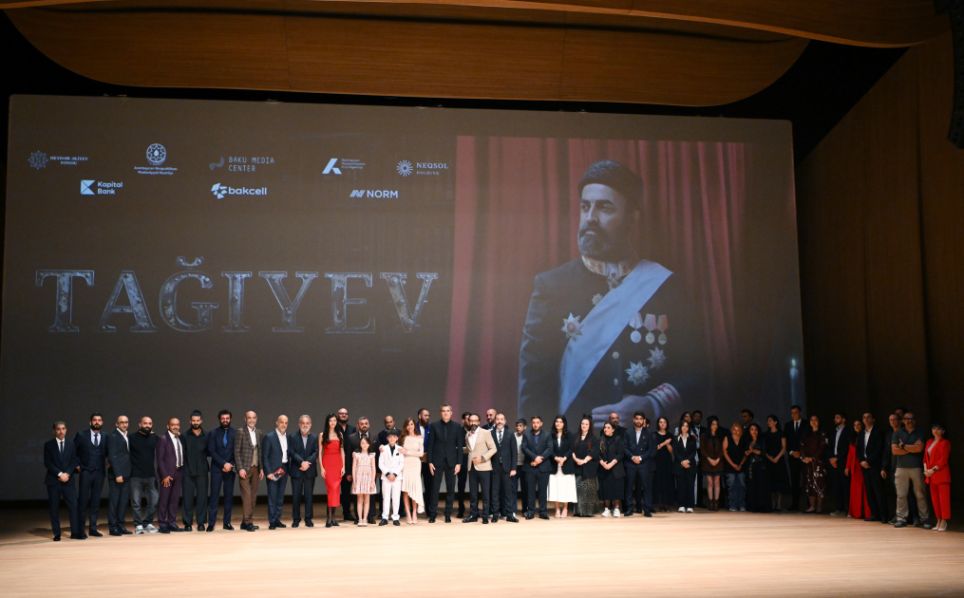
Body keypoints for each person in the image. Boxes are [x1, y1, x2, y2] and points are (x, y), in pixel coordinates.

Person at [518, 160, 701, 428]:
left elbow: (697, 372)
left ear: (632, 217)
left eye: (605, 208)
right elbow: (534, 390)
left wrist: (653, 404)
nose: (591, 217)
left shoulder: (667, 287)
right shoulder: (552, 287)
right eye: (585, 207)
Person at [892, 411, 932, 528]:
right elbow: (894, 451)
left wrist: (903, 446)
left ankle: (925, 518)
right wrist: (911, 448)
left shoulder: (920, 432)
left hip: (916, 467)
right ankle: (901, 518)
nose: (909, 421)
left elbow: (919, 449)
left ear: (914, 420)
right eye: (906, 418)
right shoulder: (898, 433)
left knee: (920, 494)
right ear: (903, 421)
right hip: (901, 468)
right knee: (901, 495)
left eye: (911, 418)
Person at [44, 421, 82, 540]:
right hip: (53, 481)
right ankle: (57, 534)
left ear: (66, 430)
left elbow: (74, 460)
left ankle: (75, 532)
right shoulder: (48, 445)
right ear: (54, 431)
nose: (61, 431)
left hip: (68, 480)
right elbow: (48, 463)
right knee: (54, 508)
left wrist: (67, 473)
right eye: (58, 429)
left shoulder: (71, 444)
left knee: (73, 507)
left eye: (63, 428)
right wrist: (60, 474)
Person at [426, 404, 463, 523]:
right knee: (434, 489)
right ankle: (432, 514)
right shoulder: (434, 426)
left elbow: (460, 447)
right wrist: (430, 462)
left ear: (451, 413)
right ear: (440, 413)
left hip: (452, 462)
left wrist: (459, 463)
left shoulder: (457, 426)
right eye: (443, 411)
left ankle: (447, 514)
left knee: (451, 489)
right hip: (436, 462)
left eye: (448, 411)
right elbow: (430, 445)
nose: (446, 413)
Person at [74, 412, 107, 537]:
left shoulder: (105, 436)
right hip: (86, 472)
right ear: (90, 422)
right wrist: (77, 465)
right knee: (83, 501)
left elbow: (109, 452)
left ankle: (93, 528)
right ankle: (80, 529)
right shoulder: (81, 435)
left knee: (95, 501)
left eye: (99, 420)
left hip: (99, 473)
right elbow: (73, 451)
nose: (97, 422)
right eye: (94, 420)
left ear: (102, 422)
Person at [206, 409, 237, 531]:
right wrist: (224, 463)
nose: (225, 420)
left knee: (228, 497)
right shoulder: (213, 433)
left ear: (230, 419)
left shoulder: (235, 433)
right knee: (214, 496)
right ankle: (211, 523)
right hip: (217, 469)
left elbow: (237, 451)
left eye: (227, 418)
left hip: (230, 469)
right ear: (219, 419)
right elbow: (212, 451)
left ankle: (227, 523)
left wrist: (230, 464)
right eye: (223, 418)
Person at [856, 412, 889, 523]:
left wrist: (868, 461)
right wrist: (861, 461)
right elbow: (859, 449)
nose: (866, 419)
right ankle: (875, 514)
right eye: (864, 417)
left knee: (879, 491)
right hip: (864, 466)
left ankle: (884, 516)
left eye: (868, 417)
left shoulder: (878, 432)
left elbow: (879, 449)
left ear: (873, 419)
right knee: (869, 491)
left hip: (875, 465)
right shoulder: (861, 433)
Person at [464, 413, 497, 523]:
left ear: (479, 422)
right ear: (469, 422)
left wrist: (483, 458)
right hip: (472, 467)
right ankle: (473, 515)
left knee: (485, 494)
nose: (473, 423)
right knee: (473, 494)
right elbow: (470, 450)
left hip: (484, 467)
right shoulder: (467, 434)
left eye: (475, 421)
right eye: (471, 421)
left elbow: (493, 449)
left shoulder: (485, 433)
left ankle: (485, 516)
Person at [234, 410, 264, 532]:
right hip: (245, 469)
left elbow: (260, 452)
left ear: (256, 419)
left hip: (256, 468)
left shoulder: (259, 432)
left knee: (253, 497)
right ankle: (247, 522)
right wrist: (240, 468)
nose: (251, 420)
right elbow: (236, 451)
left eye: (253, 418)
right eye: (249, 418)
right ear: (245, 419)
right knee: (247, 496)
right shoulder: (240, 432)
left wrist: (261, 468)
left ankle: (245, 522)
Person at [129, 416, 159, 534]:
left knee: (154, 501)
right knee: (136, 502)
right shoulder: (131, 438)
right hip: (135, 475)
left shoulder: (154, 438)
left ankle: (147, 523)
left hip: (151, 475)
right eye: (145, 423)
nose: (147, 425)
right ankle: (138, 525)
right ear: (139, 424)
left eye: (150, 423)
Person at [155, 417, 185, 533]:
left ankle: (172, 522)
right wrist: (164, 475)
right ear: (168, 426)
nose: (175, 427)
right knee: (164, 500)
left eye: (177, 425)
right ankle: (162, 524)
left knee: (174, 500)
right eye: (173, 425)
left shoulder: (179, 438)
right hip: (167, 474)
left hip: (178, 472)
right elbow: (160, 460)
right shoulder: (163, 439)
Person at [345, 416, 376, 524]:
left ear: (369, 424)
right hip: (358, 474)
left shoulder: (373, 436)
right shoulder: (351, 438)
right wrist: (349, 473)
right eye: (362, 423)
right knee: (357, 498)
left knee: (369, 497)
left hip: (369, 474)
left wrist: (375, 475)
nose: (364, 425)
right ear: (358, 425)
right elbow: (348, 456)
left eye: (366, 423)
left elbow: (376, 458)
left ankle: (369, 517)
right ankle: (359, 518)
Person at [261, 414, 290, 530]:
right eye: (281, 422)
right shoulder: (269, 437)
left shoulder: (288, 437)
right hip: (273, 471)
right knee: (272, 496)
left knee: (280, 497)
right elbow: (265, 456)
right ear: (277, 423)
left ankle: (277, 519)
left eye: (286, 423)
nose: (284, 424)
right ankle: (272, 521)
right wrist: (268, 472)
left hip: (284, 469)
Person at [522, 415, 553, 519]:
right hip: (530, 467)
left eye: (537, 422)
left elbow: (550, 449)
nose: (535, 424)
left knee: (542, 491)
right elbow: (524, 448)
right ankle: (530, 511)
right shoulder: (526, 434)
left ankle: (543, 512)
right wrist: (535, 457)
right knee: (530, 491)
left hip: (543, 467)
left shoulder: (547, 434)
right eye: (534, 422)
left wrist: (540, 459)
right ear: (532, 424)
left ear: (541, 423)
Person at [623, 411, 655, 517]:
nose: (638, 421)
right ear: (633, 419)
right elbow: (624, 447)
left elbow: (651, 449)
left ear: (644, 420)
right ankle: (629, 508)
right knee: (629, 486)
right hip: (630, 463)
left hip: (644, 464)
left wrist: (640, 458)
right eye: (637, 418)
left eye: (641, 419)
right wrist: (632, 457)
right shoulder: (628, 432)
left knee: (646, 487)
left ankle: (647, 509)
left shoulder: (649, 433)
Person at [181, 410, 208, 532]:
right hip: (188, 470)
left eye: (197, 420)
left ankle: (201, 523)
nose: (195, 422)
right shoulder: (184, 436)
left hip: (202, 471)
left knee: (202, 498)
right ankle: (187, 523)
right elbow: (182, 454)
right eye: (193, 421)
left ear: (201, 421)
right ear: (190, 421)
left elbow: (209, 451)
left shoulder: (206, 435)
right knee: (187, 498)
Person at [489, 412, 518, 522]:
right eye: (497, 419)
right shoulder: (490, 433)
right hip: (494, 467)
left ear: (505, 421)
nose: (499, 421)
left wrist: (514, 468)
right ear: (495, 421)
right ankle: (495, 514)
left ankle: (509, 514)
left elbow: (514, 452)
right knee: (495, 492)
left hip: (507, 468)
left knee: (508, 492)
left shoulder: (510, 434)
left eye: (501, 419)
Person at [290, 414, 318, 528]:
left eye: (307, 423)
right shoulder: (292, 436)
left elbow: (316, 452)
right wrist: (301, 462)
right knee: (296, 496)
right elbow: (292, 452)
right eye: (303, 423)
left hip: (309, 471)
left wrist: (307, 463)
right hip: (297, 470)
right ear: (299, 424)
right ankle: (296, 519)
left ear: (310, 425)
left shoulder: (315, 437)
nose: (305, 425)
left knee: (309, 496)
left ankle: (308, 519)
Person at [106, 414, 132, 536]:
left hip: (126, 474)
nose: (124, 424)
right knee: (114, 502)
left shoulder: (127, 436)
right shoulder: (113, 436)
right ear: (117, 424)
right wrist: (118, 474)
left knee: (123, 502)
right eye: (122, 422)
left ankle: (121, 525)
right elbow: (112, 456)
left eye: (126, 422)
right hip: (117, 475)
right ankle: (112, 527)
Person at [547, 415, 577, 518]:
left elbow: (571, 448)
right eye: (556, 421)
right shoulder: (551, 435)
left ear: (564, 424)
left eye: (560, 422)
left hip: (566, 464)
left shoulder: (569, 434)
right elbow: (549, 449)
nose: (558, 423)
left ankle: (565, 508)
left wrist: (564, 458)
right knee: (555, 487)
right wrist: (555, 458)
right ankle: (557, 509)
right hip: (554, 465)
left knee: (566, 487)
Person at [320, 413, 346, 528]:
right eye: (330, 421)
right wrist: (321, 467)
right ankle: (328, 518)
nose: (333, 423)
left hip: (337, 463)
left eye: (334, 420)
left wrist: (343, 466)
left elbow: (342, 451)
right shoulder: (322, 435)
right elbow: (320, 452)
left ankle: (333, 518)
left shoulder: (340, 434)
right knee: (331, 490)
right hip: (327, 463)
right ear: (327, 422)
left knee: (336, 491)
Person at [923, 423, 950, 532]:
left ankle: (944, 521)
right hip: (930, 475)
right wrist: (926, 470)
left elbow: (943, 459)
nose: (935, 431)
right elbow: (925, 458)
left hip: (941, 474)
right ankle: (938, 520)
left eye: (938, 429)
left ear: (943, 431)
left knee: (943, 500)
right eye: (934, 428)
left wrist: (932, 470)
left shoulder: (945, 442)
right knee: (935, 500)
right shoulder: (929, 442)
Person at [399, 417, 426, 524]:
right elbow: (399, 451)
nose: (410, 426)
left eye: (411, 424)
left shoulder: (419, 437)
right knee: (406, 489)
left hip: (415, 464)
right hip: (405, 464)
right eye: (408, 424)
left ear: (414, 425)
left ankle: (414, 513)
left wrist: (407, 452)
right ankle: (408, 514)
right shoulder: (403, 438)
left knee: (414, 488)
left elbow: (421, 453)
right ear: (405, 426)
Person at [572, 415, 599, 517]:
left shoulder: (593, 438)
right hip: (577, 466)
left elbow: (594, 452)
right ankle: (578, 511)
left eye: (586, 424)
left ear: (590, 426)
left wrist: (584, 461)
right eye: (583, 424)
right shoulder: (575, 437)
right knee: (578, 489)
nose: (584, 425)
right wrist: (576, 460)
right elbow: (572, 450)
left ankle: (588, 512)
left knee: (588, 489)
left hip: (589, 467)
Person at [597, 421, 626, 517]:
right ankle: (607, 509)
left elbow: (620, 454)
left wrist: (611, 464)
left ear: (613, 430)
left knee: (616, 489)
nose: (606, 429)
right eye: (605, 427)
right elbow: (597, 454)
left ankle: (616, 508)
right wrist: (602, 462)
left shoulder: (618, 439)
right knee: (605, 490)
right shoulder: (601, 439)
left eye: (608, 427)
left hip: (616, 468)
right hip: (604, 468)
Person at [801, 415, 828, 514]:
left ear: (819, 421)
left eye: (815, 420)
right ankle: (812, 506)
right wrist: (804, 457)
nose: (813, 421)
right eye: (811, 420)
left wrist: (813, 458)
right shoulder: (806, 433)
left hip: (818, 462)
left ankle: (819, 507)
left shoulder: (823, 433)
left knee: (819, 484)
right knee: (809, 483)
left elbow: (823, 447)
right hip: (807, 463)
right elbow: (802, 446)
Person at [844, 419, 871, 520]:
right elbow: (850, 454)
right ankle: (855, 512)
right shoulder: (852, 438)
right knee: (855, 490)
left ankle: (866, 512)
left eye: (858, 424)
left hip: (862, 465)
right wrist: (847, 467)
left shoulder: (865, 436)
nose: (856, 426)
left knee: (864, 489)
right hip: (854, 467)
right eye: (855, 425)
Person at [763, 415, 789, 512]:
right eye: (768, 421)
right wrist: (770, 458)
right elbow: (764, 449)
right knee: (771, 482)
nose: (768, 422)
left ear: (775, 422)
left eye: (770, 420)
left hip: (779, 460)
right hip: (769, 461)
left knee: (779, 482)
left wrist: (777, 458)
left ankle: (779, 504)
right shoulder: (765, 434)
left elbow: (784, 447)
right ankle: (773, 504)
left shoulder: (781, 433)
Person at [378, 429, 404, 526]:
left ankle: (395, 517)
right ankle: (384, 517)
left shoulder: (400, 449)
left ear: (397, 438)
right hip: (386, 477)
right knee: (386, 497)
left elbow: (402, 463)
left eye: (394, 437)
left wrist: (395, 474)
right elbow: (381, 463)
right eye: (390, 437)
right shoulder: (383, 449)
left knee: (396, 497)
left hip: (397, 478)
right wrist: (388, 474)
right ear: (387, 438)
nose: (392, 438)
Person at [335, 407, 357, 522]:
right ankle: (332, 515)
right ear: (337, 415)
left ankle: (348, 513)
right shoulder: (333, 428)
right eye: (341, 413)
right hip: (336, 463)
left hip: (349, 464)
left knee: (348, 491)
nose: (343, 415)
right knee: (335, 490)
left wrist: (350, 470)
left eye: (345, 414)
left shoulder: (353, 429)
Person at [828, 411, 851, 516]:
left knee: (845, 485)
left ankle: (847, 509)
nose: (835, 419)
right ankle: (838, 508)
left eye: (837, 417)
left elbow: (847, 447)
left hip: (843, 461)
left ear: (843, 419)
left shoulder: (848, 430)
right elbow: (829, 446)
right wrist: (831, 458)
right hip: (833, 461)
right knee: (836, 485)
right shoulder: (833, 431)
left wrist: (837, 458)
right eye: (835, 418)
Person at [351, 436, 377, 526]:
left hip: (368, 478)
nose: (364, 445)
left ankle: (365, 518)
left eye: (366, 443)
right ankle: (360, 519)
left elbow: (374, 468)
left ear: (369, 444)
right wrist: (354, 481)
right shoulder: (356, 454)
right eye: (362, 443)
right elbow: (354, 468)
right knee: (359, 500)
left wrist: (372, 481)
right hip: (359, 478)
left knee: (367, 500)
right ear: (360, 444)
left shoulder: (371, 455)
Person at [700, 416, 724, 511]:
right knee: (710, 482)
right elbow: (702, 449)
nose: (715, 426)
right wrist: (709, 459)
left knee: (717, 482)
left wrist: (718, 459)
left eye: (716, 424)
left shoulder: (720, 435)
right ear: (709, 425)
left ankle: (716, 502)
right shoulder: (704, 436)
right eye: (713, 424)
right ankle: (710, 502)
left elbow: (722, 449)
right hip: (707, 462)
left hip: (718, 461)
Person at [673, 420, 698, 512]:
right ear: (680, 427)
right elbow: (675, 452)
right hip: (679, 465)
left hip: (690, 465)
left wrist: (687, 460)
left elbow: (694, 452)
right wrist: (682, 461)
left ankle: (690, 505)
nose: (684, 427)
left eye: (686, 426)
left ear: (688, 428)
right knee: (681, 486)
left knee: (690, 485)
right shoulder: (676, 438)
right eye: (683, 426)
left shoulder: (692, 438)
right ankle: (681, 505)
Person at [784, 405, 805, 511]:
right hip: (792, 457)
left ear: (800, 412)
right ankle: (794, 504)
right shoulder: (788, 425)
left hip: (804, 456)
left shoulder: (806, 424)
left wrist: (801, 453)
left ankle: (808, 504)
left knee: (806, 480)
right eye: (792, 413)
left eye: (795, 412)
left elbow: (808, 440)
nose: (793, 415)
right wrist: (792, 452)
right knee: (794, 480)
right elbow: (786, 442)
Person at [723, 422, 747, 512]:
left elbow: (746, 454)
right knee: (732, 486)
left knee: (742, 486)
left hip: (741, 466)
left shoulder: (744, 439)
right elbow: (724, 452)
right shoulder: (727, 438)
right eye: (734, 429)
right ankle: (732, 505)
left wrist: (740, 465)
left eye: (738, 429)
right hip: (730, 466)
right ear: (731, 430)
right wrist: (733, 464)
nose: (736, 431)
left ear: (741, 431)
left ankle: (741, 505)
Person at [744, 423, 768, 513]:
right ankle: (752, 506)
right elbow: (745, 453)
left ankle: (761, 506)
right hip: (750, 466)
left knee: (760, 486)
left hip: (760, 466)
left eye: (755, 429)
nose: (754, 431)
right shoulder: (747, 441)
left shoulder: (762, 440)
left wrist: (752, 450)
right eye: (752, 429)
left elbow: (763, 452)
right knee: (751, 486)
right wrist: (747, 452)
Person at [652, 416, 675, 511]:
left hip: (667, 461)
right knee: (657, 482)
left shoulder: (670, 435)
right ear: (658, 424)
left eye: (664, 422)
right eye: (660, 422)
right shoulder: (654, 435)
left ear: (667, 424)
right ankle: (658, 503)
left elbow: (671, 451)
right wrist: (664, 443)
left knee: (667, 482)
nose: (662, 424)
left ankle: (666, 503)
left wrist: (668, 444)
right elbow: (655, 448)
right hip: (656, 461)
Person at [456, 411, 472, 518]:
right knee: (461, 486)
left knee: (474, 486)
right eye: (467, 419)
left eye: (471, 419)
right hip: (462, 461)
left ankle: (474, 509)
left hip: (474, 461)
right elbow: (456, 446)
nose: (470, 421)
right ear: (463, 420)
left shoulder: (475, 431)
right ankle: (461, 509)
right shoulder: (458, 431)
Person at [514, 418, 528, 511]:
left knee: (525, 489)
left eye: (520, 426)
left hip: (525, 466)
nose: (518, 427)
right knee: (513, 489)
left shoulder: (528, 436)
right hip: (514, 466)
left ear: (525, 427)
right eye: (517, 426)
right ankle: (512, 510)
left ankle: (525, 509)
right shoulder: (512, 436)